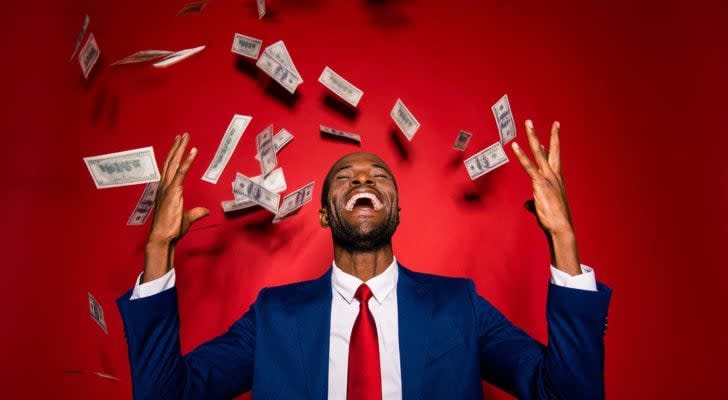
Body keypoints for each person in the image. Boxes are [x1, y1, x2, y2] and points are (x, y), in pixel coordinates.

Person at [117, 120, 611, 400]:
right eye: (345, 178)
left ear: (397, 208)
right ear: (324, 216)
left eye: (378, 177)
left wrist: (563, 240)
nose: (363, 181)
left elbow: (565, 395)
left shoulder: (459, 306)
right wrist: (158, 250)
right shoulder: (273, 316)